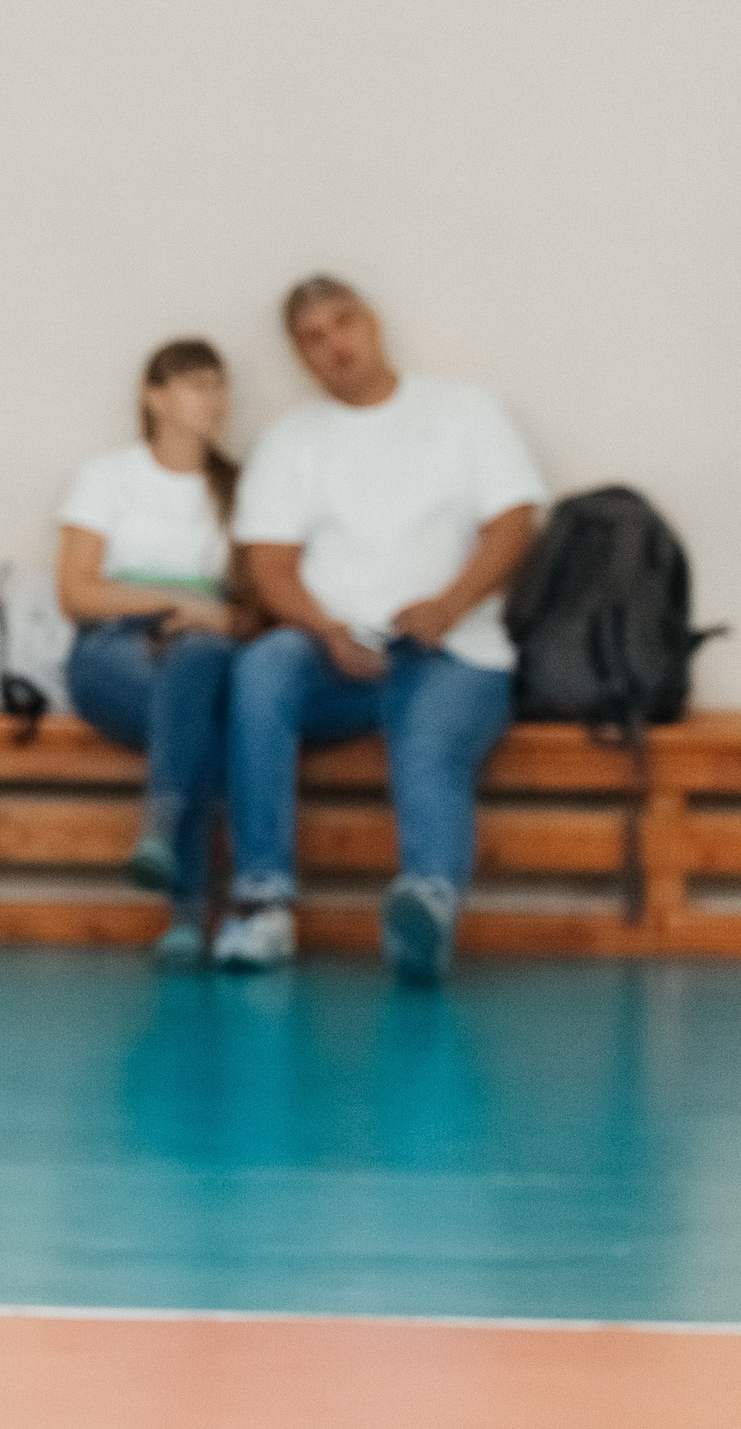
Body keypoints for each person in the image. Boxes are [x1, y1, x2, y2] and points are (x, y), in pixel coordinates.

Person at [215, 277, 547, 981]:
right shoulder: (291, 440)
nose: (335, 344)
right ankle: (263, 902)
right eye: (314, 337)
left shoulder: (462, 410)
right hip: (340, 654)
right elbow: (270, 564)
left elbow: (514, 525)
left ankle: (427, 909)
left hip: (454, 651)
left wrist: (448, 605)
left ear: (372, 322)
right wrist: (325, 628)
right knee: (261, 669)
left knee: (428, 742)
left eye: (343, 324)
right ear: (302, 356)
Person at [55, 339, 248, 966]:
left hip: (205, 651)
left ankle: (163, 837)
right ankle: (194, 911)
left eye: (219, 385)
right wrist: (167, 604)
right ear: (154, 396)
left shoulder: (241, 487)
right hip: (115, 649)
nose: (212, 398)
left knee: (196, 669)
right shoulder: (108, 476)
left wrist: (209, 617)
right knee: (201, 728)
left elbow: (252, 604)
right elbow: (78, 593)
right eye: (195, 383)